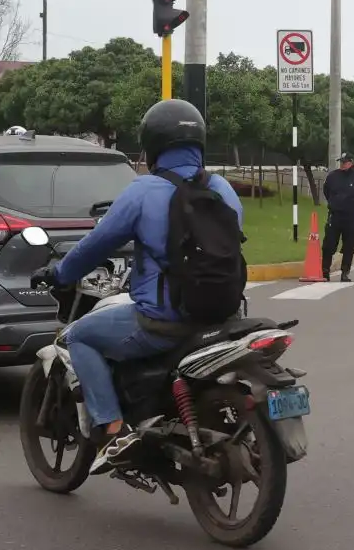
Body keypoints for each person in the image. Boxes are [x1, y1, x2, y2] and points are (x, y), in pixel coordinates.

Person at [37, 99, 242, 472]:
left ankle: (115, 431)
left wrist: (61, 273)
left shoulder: (143, 190)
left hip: (163, 320)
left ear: (153, 145)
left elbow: (97, 245)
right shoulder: (222, 189)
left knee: (79, 337)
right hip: (223, 315)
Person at [321, 152, 354, 281]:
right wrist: (334, 203)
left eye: (345, 161)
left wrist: (353, 205)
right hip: (335, 215)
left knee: (349, 246)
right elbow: (326, 191)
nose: (342, 164)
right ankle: (325, 270)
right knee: (329, 244)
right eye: (341, 161)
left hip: (351, 217)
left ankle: (345, 272)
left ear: (351, 162)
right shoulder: (333, 176)